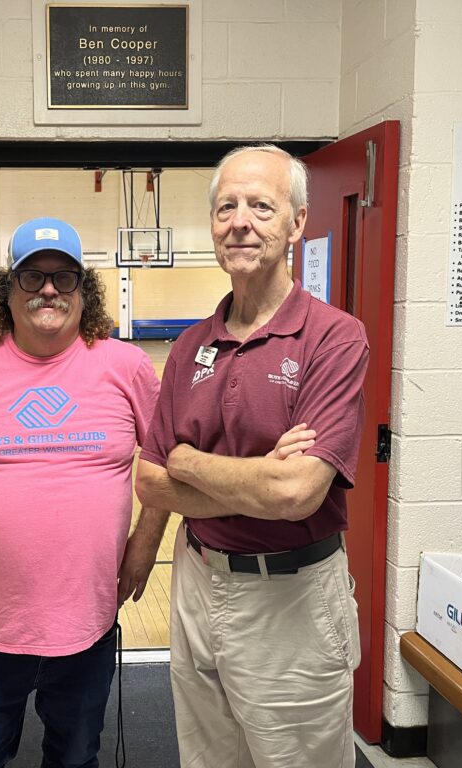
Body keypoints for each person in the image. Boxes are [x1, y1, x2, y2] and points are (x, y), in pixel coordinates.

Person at [0, 216, 165, 768]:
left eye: (64, 278)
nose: (48, 289)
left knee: (74, 758)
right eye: (31, 276)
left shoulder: (127, 367)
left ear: (82, 290)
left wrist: (145, 540)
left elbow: (165, 457)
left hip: (87, 627)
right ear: (6, 290)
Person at [135, 145, 370, 768]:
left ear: (296, 223)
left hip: (288, 597)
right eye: (226, 207)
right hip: (196, 582)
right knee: (209, 758)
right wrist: (261, 474)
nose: (240, 221)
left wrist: (188, 459)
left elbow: (296, 495)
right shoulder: (190, 345)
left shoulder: (334, 337)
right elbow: (150, 481)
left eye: (261, 206)